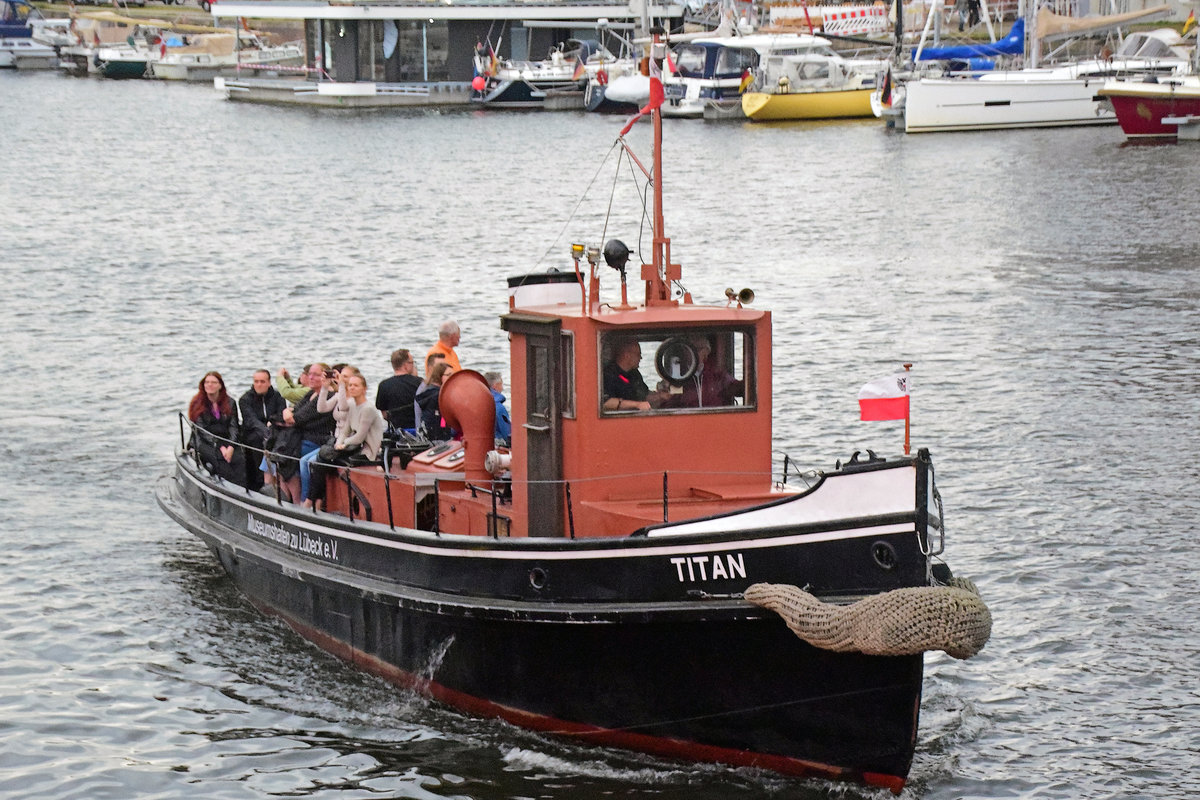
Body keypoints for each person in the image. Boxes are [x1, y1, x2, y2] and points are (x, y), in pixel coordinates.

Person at [306, 372, 385, 511]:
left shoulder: (368, 409)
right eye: (350, 385)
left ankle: (314, 502)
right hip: (354, 446)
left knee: (321, 462)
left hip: (367, 451)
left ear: (364, 389)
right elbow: (345, 430)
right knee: (319, 462)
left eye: (356, 385)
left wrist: (344, 444)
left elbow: (360, 436)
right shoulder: (352, 405)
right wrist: (339, 443)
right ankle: (315, 501)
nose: (352, 388)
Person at [187, 371, 245, 486]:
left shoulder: (230, 402)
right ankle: (226, 488)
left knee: (239, 459)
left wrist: (231, 446)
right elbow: (202, 430)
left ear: (220, 385)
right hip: (205, 441)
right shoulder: (197, 403)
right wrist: (221, 447)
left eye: (213, 382)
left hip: (225, 439)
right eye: (207, 382)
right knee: (220, 460)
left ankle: (242, 489)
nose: (210, 385)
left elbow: (233, 426)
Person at [238, 369, 286, 490]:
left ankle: (281, 478)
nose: (259, 384)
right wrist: (266, 431)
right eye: (256, 381)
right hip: (253, 432)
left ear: (269, 383)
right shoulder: (245, 399)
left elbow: (281, 414)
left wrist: (273, 423)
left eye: (262, 381)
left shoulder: (277, 396)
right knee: (256, 440)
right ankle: (260, 482)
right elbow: (251, 420)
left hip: (274, 429)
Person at [667, 335, 744, 409]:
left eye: (697, 349)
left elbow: (738, 388)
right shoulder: (677, 377)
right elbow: (671, 402)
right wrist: (661, 398)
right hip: (687, 420)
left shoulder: (717, 375)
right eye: (689, 349)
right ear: (684, 351)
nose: (692, 353)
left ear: (706, 352)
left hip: (715, 420)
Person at [602, 339, 664, 411]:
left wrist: (660, 396)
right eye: (638, 354)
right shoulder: (608, 375)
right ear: (627, 355)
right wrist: (637, 404)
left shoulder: (634, 374)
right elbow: (605, 403)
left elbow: (644, 395)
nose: (640, 358)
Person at [375, 348, 422, 430]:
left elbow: (384, 415)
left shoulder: (383, 385)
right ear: (405, 365)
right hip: (416, 428)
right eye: (412, 362)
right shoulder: (419, 383)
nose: (413, 365)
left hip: (395, 430)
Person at [416, 361, 455, 440]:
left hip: (431, 433)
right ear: (439, 376)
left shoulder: (429, 391)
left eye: (453, 375)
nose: (453, 378)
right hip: (436, 437)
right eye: (449, 375)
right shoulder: (437, 395)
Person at [484, 371, 511, 446]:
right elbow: (507, 433)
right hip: (497, 445)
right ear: (495, 386)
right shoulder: (498, 407)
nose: (502, 388)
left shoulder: (479, 403)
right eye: (501, 384)